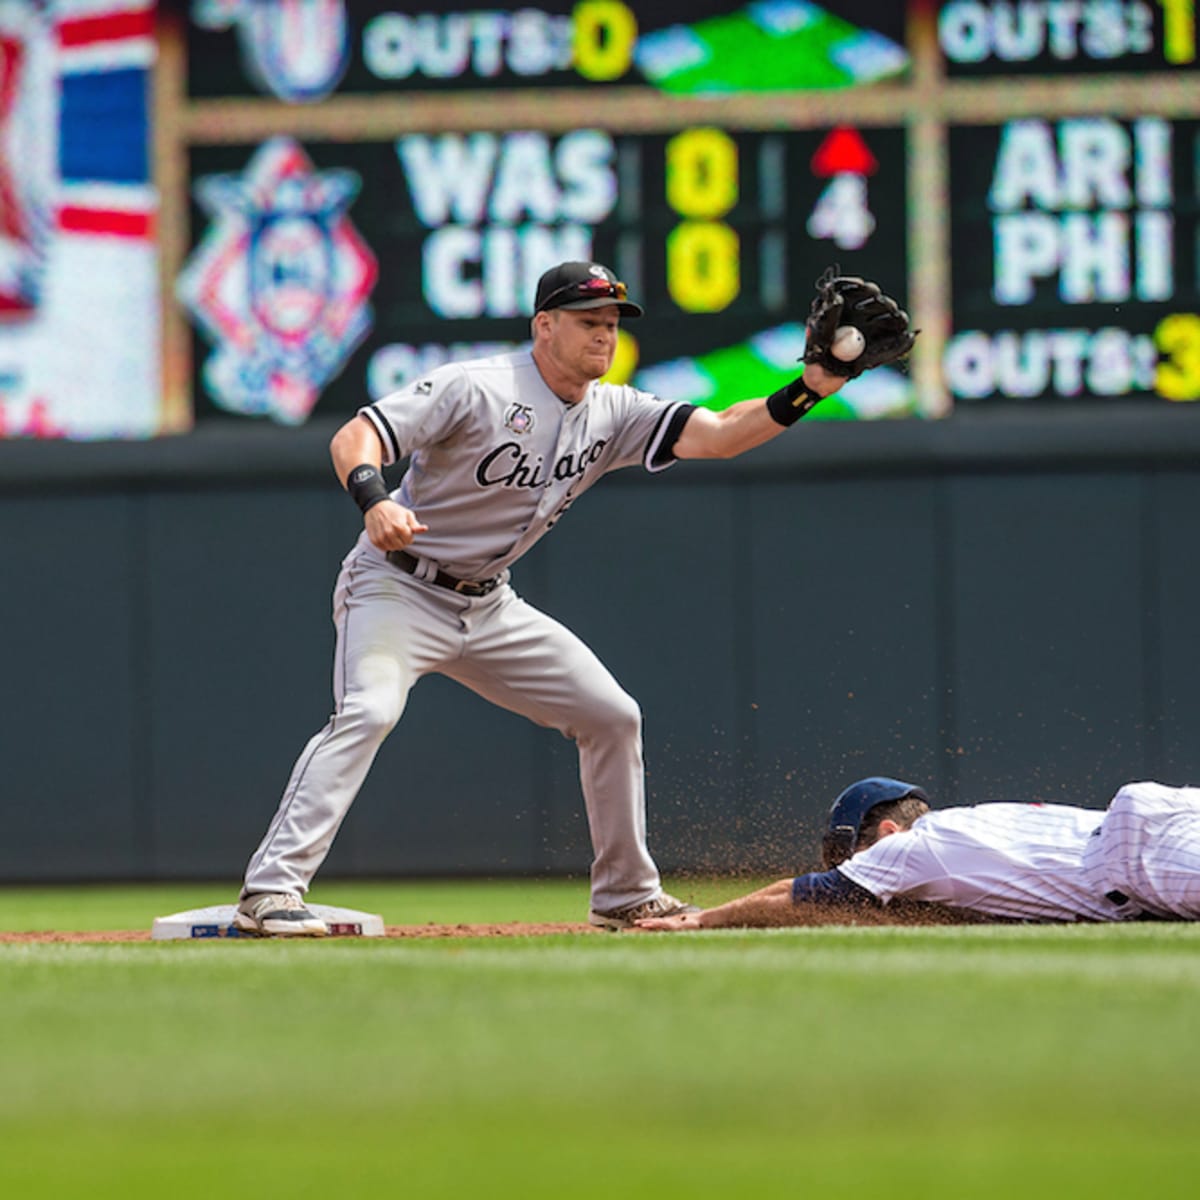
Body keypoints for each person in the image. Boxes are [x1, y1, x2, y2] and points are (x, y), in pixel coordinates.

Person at [231, 261, 908, 937]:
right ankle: (271, 890)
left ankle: (625, 894)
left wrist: (815, 385)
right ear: (544, 326)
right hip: (397, 585)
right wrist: (374, 500)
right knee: (370, 710)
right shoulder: (476, 386)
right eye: (589, 321)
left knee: (612, 715)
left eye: (612, 323)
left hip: (490, 605)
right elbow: (356, 436)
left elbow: (724, 433)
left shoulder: (612, 410)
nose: (604, 336)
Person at [636, 776, 1200, 930]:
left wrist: (703, 919)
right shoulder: (963, 834)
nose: (848, 867)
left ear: (883, 832)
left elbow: (807, 898)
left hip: (1145, 857)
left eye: (849, 853)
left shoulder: (911, 848)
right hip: (1153, 826)